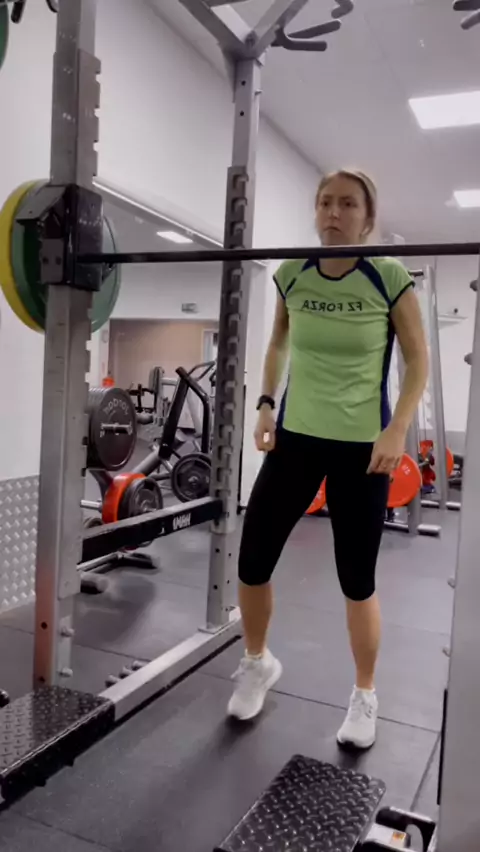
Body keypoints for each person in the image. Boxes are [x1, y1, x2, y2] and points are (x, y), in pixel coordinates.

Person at [227, 169, 429, 749]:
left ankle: (365, 694)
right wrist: (266, 403)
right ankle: (257, 662)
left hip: (363, 451)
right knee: (253, 560)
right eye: (324, 203)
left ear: (368, 218)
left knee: (356, 580)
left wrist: (397, 429)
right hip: (296, 439)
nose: (333, 213)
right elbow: (278, 340)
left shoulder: (387, 276)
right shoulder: (292, 271)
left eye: (346, 204)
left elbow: (417, 360)